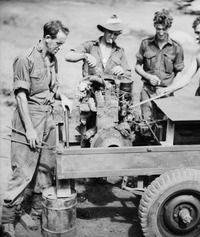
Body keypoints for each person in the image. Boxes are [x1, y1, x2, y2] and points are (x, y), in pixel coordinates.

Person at [1, 20, 72, 236]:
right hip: (28, 119)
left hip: (48, 119)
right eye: (58, 43)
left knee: (44, 169)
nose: (60, 47)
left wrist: (63, 96)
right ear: (47, 38)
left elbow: (53, 87)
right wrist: (30, 129)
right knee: (22, 171)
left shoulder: (53, 59)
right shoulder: (25, 59)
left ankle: (31, 210)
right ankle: (7, 221)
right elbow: (21, 96)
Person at [135, 9, 184, 121]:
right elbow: (137, 66)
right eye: (158, 29)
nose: (161, 32)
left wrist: (170, 89)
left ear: (169, 28)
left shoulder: (177, 48)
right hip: (147, 91)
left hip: (166, 93)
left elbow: (179, 73)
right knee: (146, 125)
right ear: (155, 26)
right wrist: (149, 77)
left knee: (164, 125)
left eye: (164, 29)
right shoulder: (145, 44)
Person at [65, 14, 131, 79]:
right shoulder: (90, 45)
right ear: (104, 30)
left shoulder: (119, 51)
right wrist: (85, 55)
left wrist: (122, 71)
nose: (112, 36)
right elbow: (68, 56)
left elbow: (128, 74)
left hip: (110, 88)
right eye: (110, 32)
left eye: (116, 34)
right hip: (90, 86)